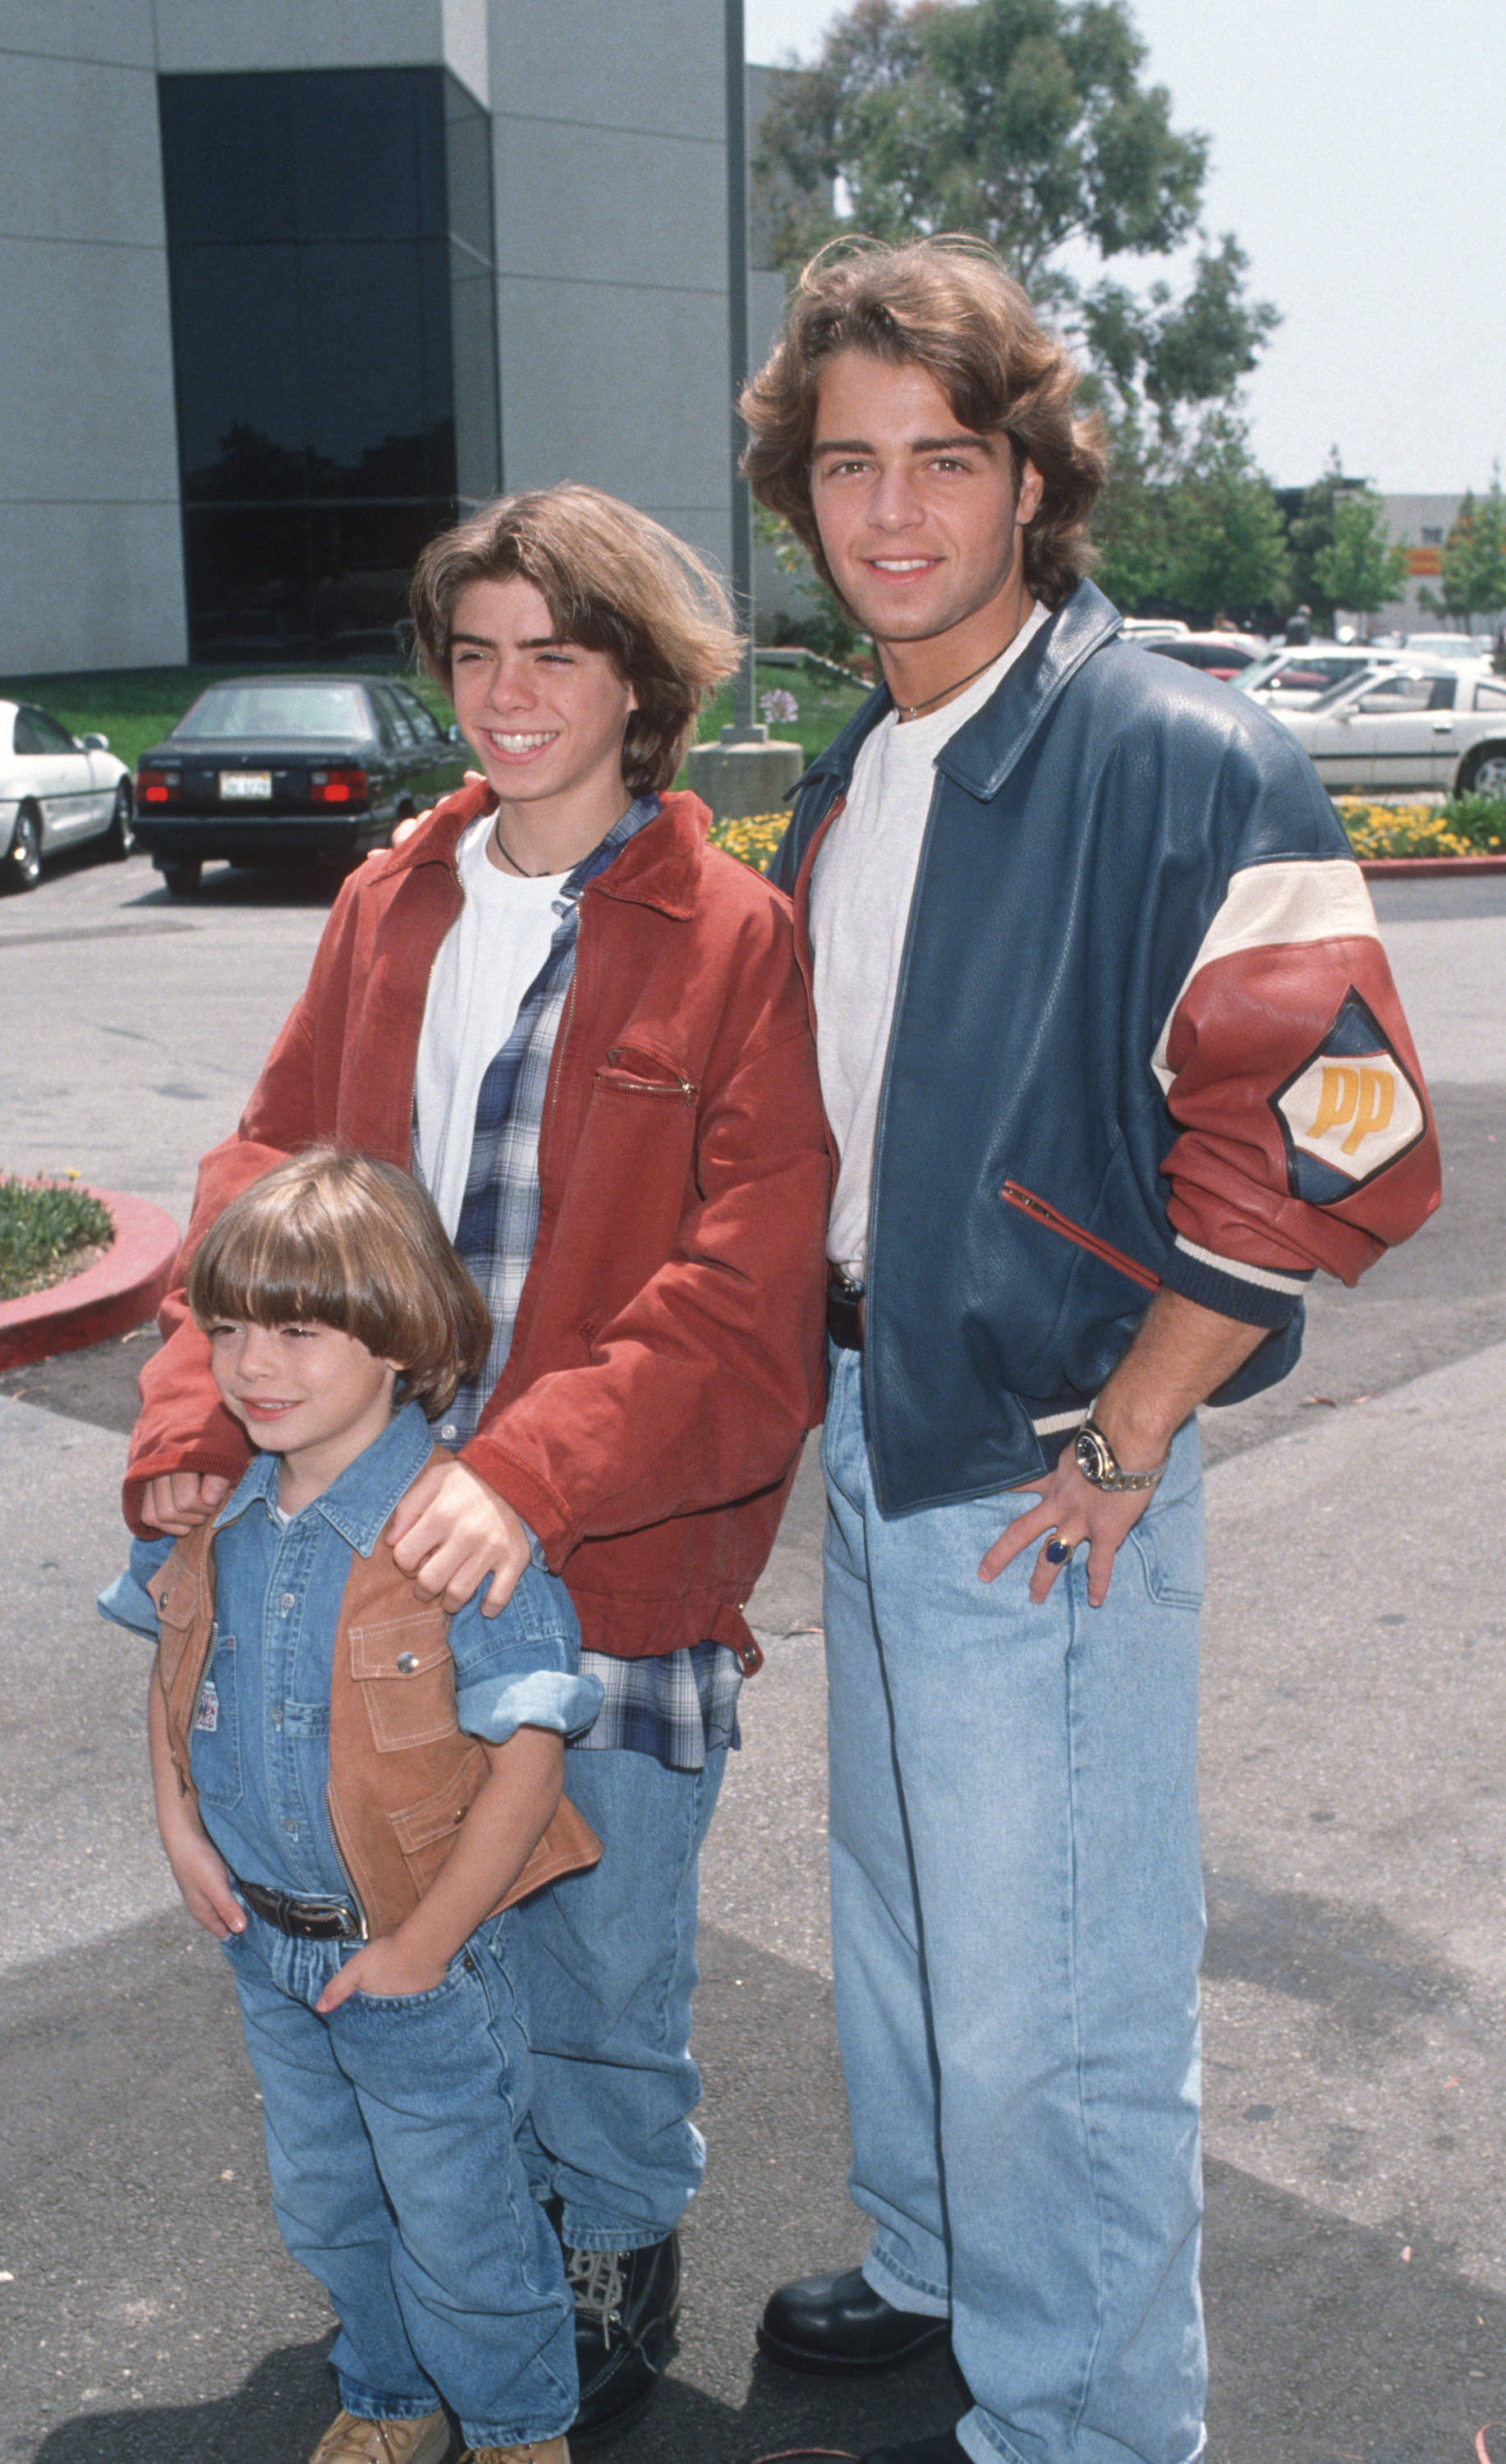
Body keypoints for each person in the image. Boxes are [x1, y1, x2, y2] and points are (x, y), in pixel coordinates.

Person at [740, 237, 1441, 2464]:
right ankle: (945, 2260)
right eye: (846, 465)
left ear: (1038, 478)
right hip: (878, 1417)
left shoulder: (1177, 751)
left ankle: (1092, 2427)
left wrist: (1138, 1420)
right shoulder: (870, 753)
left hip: (1046, 1458)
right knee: (911, 1908)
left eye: (946, 457)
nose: (892, 512)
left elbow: (1343, 1136)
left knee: (1062, 1995)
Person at [122, 485, 829, 2443]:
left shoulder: (729, 936)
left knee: (595, 1962)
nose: (510, 696)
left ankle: (606, 2232)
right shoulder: (390, 900)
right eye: (476, 655)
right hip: (366, 1549)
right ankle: (452, 2266)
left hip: (604, 1543)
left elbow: (749, 1287)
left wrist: (523, 1470)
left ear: (640, 683)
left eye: (558, 654)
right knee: (406, 1937)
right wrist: (196, 1419)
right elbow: (267, 1176)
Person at [102, 1149, 605, 2464]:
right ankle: (389, 2400)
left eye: (297, 1329)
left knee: (465, 2221)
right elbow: (172, 1682)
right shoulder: (216, 1526)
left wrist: (421, 1951)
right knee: (327, 2205)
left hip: (417, 1968)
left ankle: (512, 2428)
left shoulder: (456, 1539)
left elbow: (528, 1765)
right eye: (226, 1328)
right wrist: (178, 1833)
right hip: (266, 1950)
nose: (250, 1365)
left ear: (399, 1340)